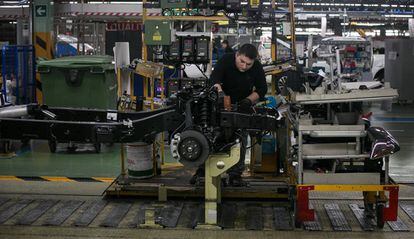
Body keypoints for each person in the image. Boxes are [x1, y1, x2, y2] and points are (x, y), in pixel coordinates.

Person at [190, 43, 267, 186]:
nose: (244, 66)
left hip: (241, 107)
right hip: (219, 105)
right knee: (211, 137)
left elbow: (262, 89)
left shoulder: (256, 67)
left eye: (248, 64)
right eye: (242, 62)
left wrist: (248, 101)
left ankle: (235, 175)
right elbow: (214, 80)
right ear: (237, 55)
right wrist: (221, 96)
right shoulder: (226, 60)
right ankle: (202, 171)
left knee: (240, 140)